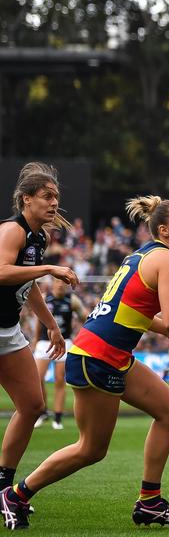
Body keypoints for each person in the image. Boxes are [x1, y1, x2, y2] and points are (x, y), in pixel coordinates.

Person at [0, 196, 169, 530]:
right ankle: (17, 495)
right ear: (163, 230)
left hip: (106, 354)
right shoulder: (168, 262)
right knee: (91, 449)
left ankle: (150, 501)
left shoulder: (143, 256)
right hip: (99, 358)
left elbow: (138, 313)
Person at [0, 162, 80, 495]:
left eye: (56, 197)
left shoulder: (40, 237)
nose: (53, 203)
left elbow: (29, 285)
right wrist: (49, 268)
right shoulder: (12, 231)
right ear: (25, 199)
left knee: (33, 405)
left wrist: (52, 327)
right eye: (46, 196)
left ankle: (3, 484)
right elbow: (2, 272)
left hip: (8, 331)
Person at [34, 277, 87, 431]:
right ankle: (42, 412)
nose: (61, 285)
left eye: (64, 283)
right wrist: (35, 341)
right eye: (58, 282)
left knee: (59, 381)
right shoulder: (44, 298)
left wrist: (82, 337)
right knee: (38, 379)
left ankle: (57, 418)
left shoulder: (72, 301)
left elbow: (85, 318)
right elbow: (38, 322)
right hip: (44, 342)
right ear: (53, 284)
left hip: (65, 344)